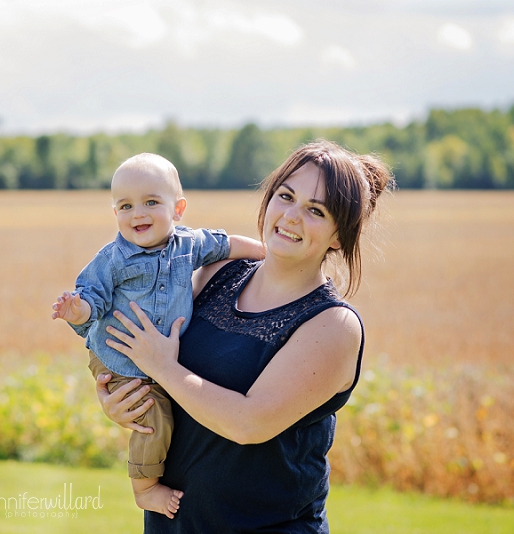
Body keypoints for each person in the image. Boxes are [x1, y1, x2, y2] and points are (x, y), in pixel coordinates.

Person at [95, 140, 394, 533]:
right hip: (173, 524)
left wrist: (163, 368)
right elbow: (152, 360)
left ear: (339, 236)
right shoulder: (217, 272)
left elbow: (249, 423)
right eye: (285, 196)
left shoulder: (333, 325)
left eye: (316, 210)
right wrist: (123, 401)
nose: (291, 216)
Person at [51, 153, 265, 519]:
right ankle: (145, 489)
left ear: (178, 208)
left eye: (151, 202)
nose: (138, 213)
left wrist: (266, 253)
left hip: (158, 360)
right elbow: (93, 298)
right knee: (152, 416)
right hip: (120, 357)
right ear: (114, 213)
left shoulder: (189, 245)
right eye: (126, 206)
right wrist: (77, 310)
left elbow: (226, 244)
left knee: (170, 410)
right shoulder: (113, 259)